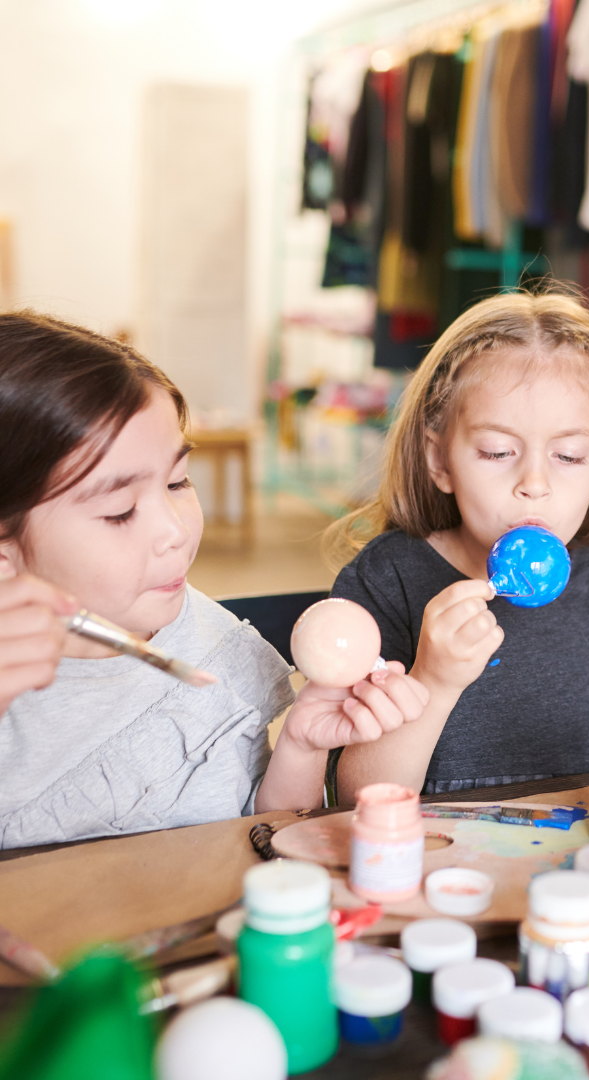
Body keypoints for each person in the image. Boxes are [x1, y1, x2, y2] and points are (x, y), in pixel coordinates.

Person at [0, 312, 428, 848]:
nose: (174, 531)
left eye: (178, 482)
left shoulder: (209, 638)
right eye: (120, 510)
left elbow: (257, 832)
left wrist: (301, 745)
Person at [328, 291, 589, 797]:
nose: (534, 482)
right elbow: (354, 798)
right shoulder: (387, 582)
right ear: (440, 461)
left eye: (568, 456)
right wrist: (433, 680)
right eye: (497, 452)